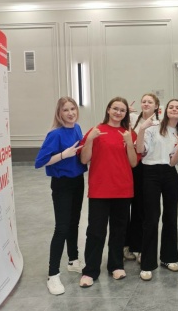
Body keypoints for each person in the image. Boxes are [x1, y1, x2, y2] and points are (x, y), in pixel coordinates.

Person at [78, 97, 139, 288]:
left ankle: (116, 265)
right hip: (100, 189)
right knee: (96, 231)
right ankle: (90, 270)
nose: (118, 112)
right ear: (108, 109)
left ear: (126, 113)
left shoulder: (129, 133)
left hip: (122, 188)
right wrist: (89, 140)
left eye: (122, 110)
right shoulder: (96, 130)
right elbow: (84, 160)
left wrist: (129, 143)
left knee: (119, 231)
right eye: (115, 109)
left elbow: (133, 163)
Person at [35, 97, 88, 295]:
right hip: (62, 184)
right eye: (66, 110)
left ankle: (73, 260)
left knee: (74, 223)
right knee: (62, 227)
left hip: (77, 181)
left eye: (73, 108)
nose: (70, 113)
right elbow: (40, 162)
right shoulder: (54, 134)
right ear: (59, 113)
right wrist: (63, 155)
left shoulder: (77, 128)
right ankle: (53, 274)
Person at [136, 99, 178, 281]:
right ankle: (147, 263)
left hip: (169, 173)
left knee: (171, 216)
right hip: (150, 173)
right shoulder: (153, 127)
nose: (174, 109)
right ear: (166, 110)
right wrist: (142, 129)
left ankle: (168, 257)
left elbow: (173, 162)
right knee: (151, 217)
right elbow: (140, 149)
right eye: (171, 107)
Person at [123, 93, 161, 263]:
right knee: (126, 206)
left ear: (156, 106)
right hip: (131, 166)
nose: (146, 104)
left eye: (150, 102)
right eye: (144, 101)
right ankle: (125, 245)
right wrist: (126, 111)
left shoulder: (159, 123)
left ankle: (139, 247)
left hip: (147, 167)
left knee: (141, 207)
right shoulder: (132, 118)